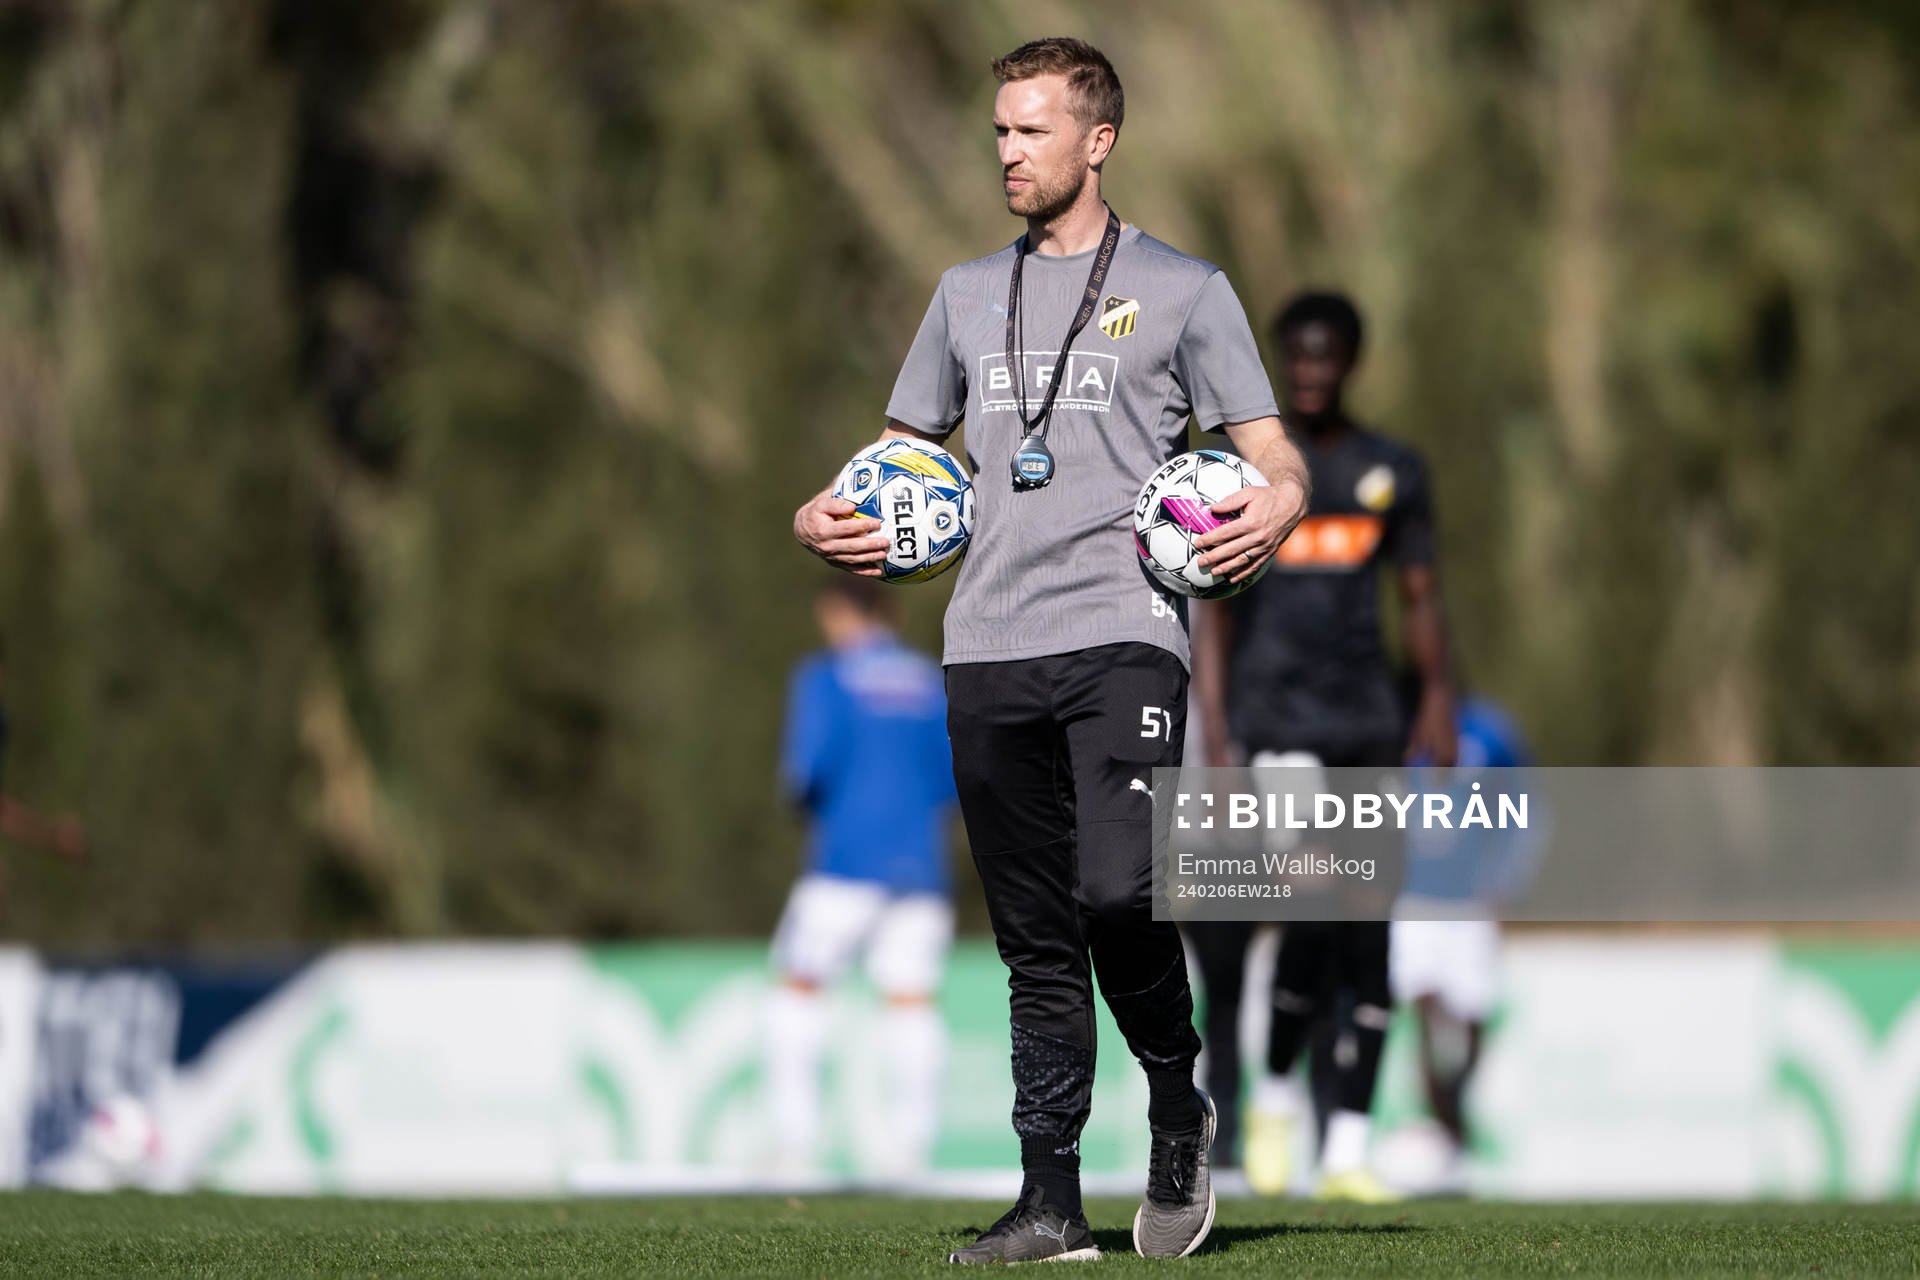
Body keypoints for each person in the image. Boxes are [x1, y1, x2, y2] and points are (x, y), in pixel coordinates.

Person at [793, 36, 1309, 1263]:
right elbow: (892, 464)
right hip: (984, 642)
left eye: (1030, 131)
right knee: (1033, 931)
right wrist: (821, 515)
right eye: (999, 132)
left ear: (1099, 140)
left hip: (1126, 630)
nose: (1008, 152)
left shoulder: (1188, 288)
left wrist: (1280, 502)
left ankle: (1178, 1103)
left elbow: (1274, 452)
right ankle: (1050, 1202)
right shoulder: (965, 291)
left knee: (1118, 891)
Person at [1190, 290, 1456, 1204]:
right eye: (1294, 357)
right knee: (1309, 910)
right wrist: (1217, 734)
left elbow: (1419, 597)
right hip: (1277, 727)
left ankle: (1346, 1145)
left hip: (1368, 725)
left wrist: (1440, 702)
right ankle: (1273, 1094)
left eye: (1324, 356)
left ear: (1350, 361)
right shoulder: (1245, 476)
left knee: (1371, 931)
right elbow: (1213, 615)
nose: (1309, 372)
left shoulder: (1393, 471)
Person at [766, 578, 956, 1179]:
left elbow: (804, 772)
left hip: (845, 862)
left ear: (841, 614)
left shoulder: (826, 677)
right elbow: (954, 780)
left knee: (799, 989)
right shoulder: (930, 682)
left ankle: (794, 1147)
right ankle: (910, 1150)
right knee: (911, 1001)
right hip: (920, 864)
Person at [1391, 693, 1540, 1195]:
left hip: (1471, 901)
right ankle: (1450, 1132)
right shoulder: (1395, 727)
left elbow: (1525, 808)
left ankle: (1453, 1123)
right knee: (1426, 1007)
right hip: (1413, 900)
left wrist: (1504, 881)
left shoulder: (1491, 732)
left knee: (1473, 1018)